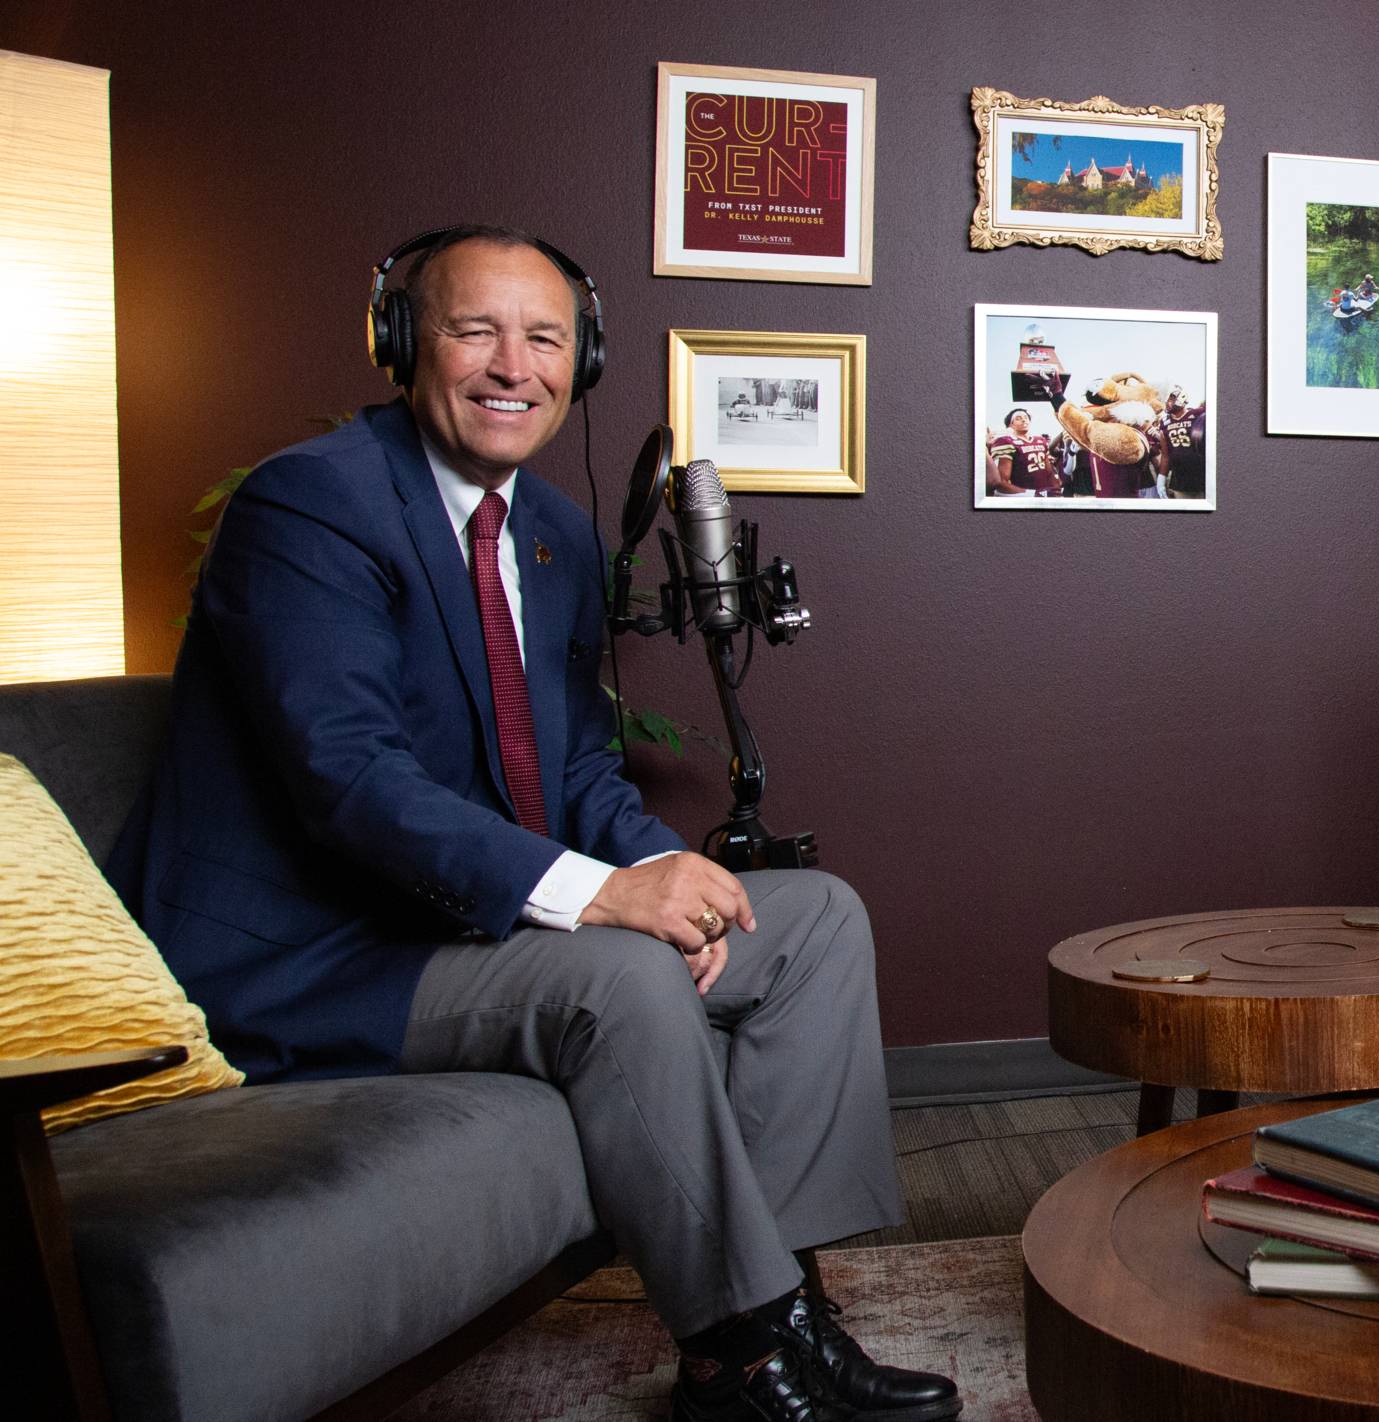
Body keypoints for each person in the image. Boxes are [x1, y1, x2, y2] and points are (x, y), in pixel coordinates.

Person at [106, 226, 959, 1422]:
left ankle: (788, 1313)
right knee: (618, 974)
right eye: (476, 331)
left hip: (467, 931)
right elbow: (347, 778)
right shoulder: (309, 506)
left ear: (582, 362)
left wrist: (659, 864)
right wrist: (606, 897)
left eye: (546, 339)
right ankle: (741, 1356)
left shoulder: (551, 532)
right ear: (402, 343)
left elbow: (575, 763)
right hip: (321, 959)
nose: (515, 366)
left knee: (811, 920)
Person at [985, 406, 1058, 495]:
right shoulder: (1005, 442)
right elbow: (1001, 483)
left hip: (1044, 493)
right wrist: (1031, 494)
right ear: (1010, 425)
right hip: (1023, 495)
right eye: (1018, 418)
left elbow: (1049, 472)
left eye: (1026, 417)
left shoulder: (1041, 440)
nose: (1023, 420)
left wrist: (1056, 488)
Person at [1153, 384, 1207, 500]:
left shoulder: (1197, 414)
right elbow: (1165, 455)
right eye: (1167, 399)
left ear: (1181, 398)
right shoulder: (1165, 422)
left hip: (1201, 475)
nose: (1168, 402)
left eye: (1171, 398)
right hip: (1179, 479)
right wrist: (1161, 479)